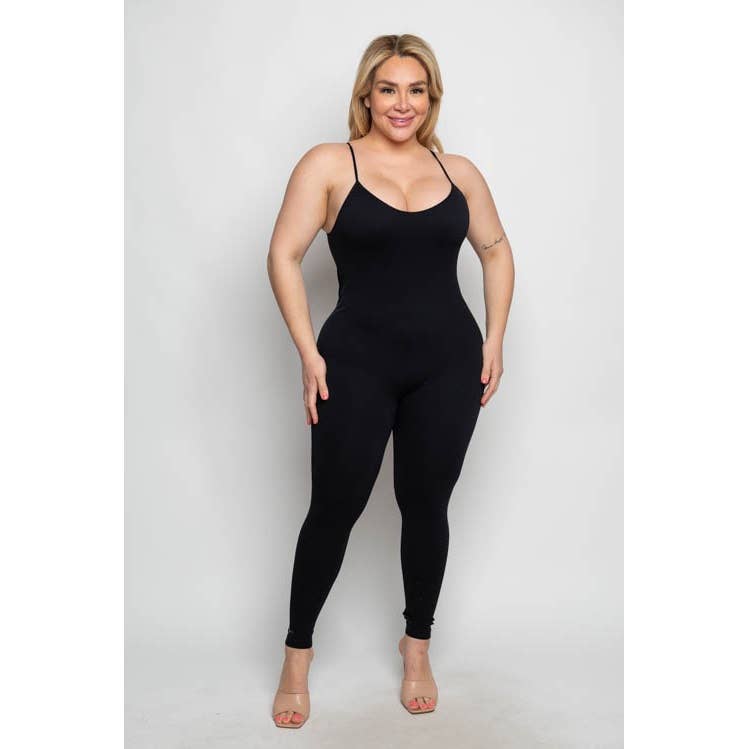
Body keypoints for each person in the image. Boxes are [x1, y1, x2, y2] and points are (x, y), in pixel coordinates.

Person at [266, 33, 514, 728]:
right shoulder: (329, 163)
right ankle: (296, 655)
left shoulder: (458, 171)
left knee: (426, 505)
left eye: (416, 90)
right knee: (334, 507)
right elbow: (283, 255)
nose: (402, 104)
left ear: (431, 99)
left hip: (448, 364)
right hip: (354, 363)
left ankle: (416, 648)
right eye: (388, 89)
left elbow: (496, 250)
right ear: (366, 96)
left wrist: (494, 338)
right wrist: (307, 352)